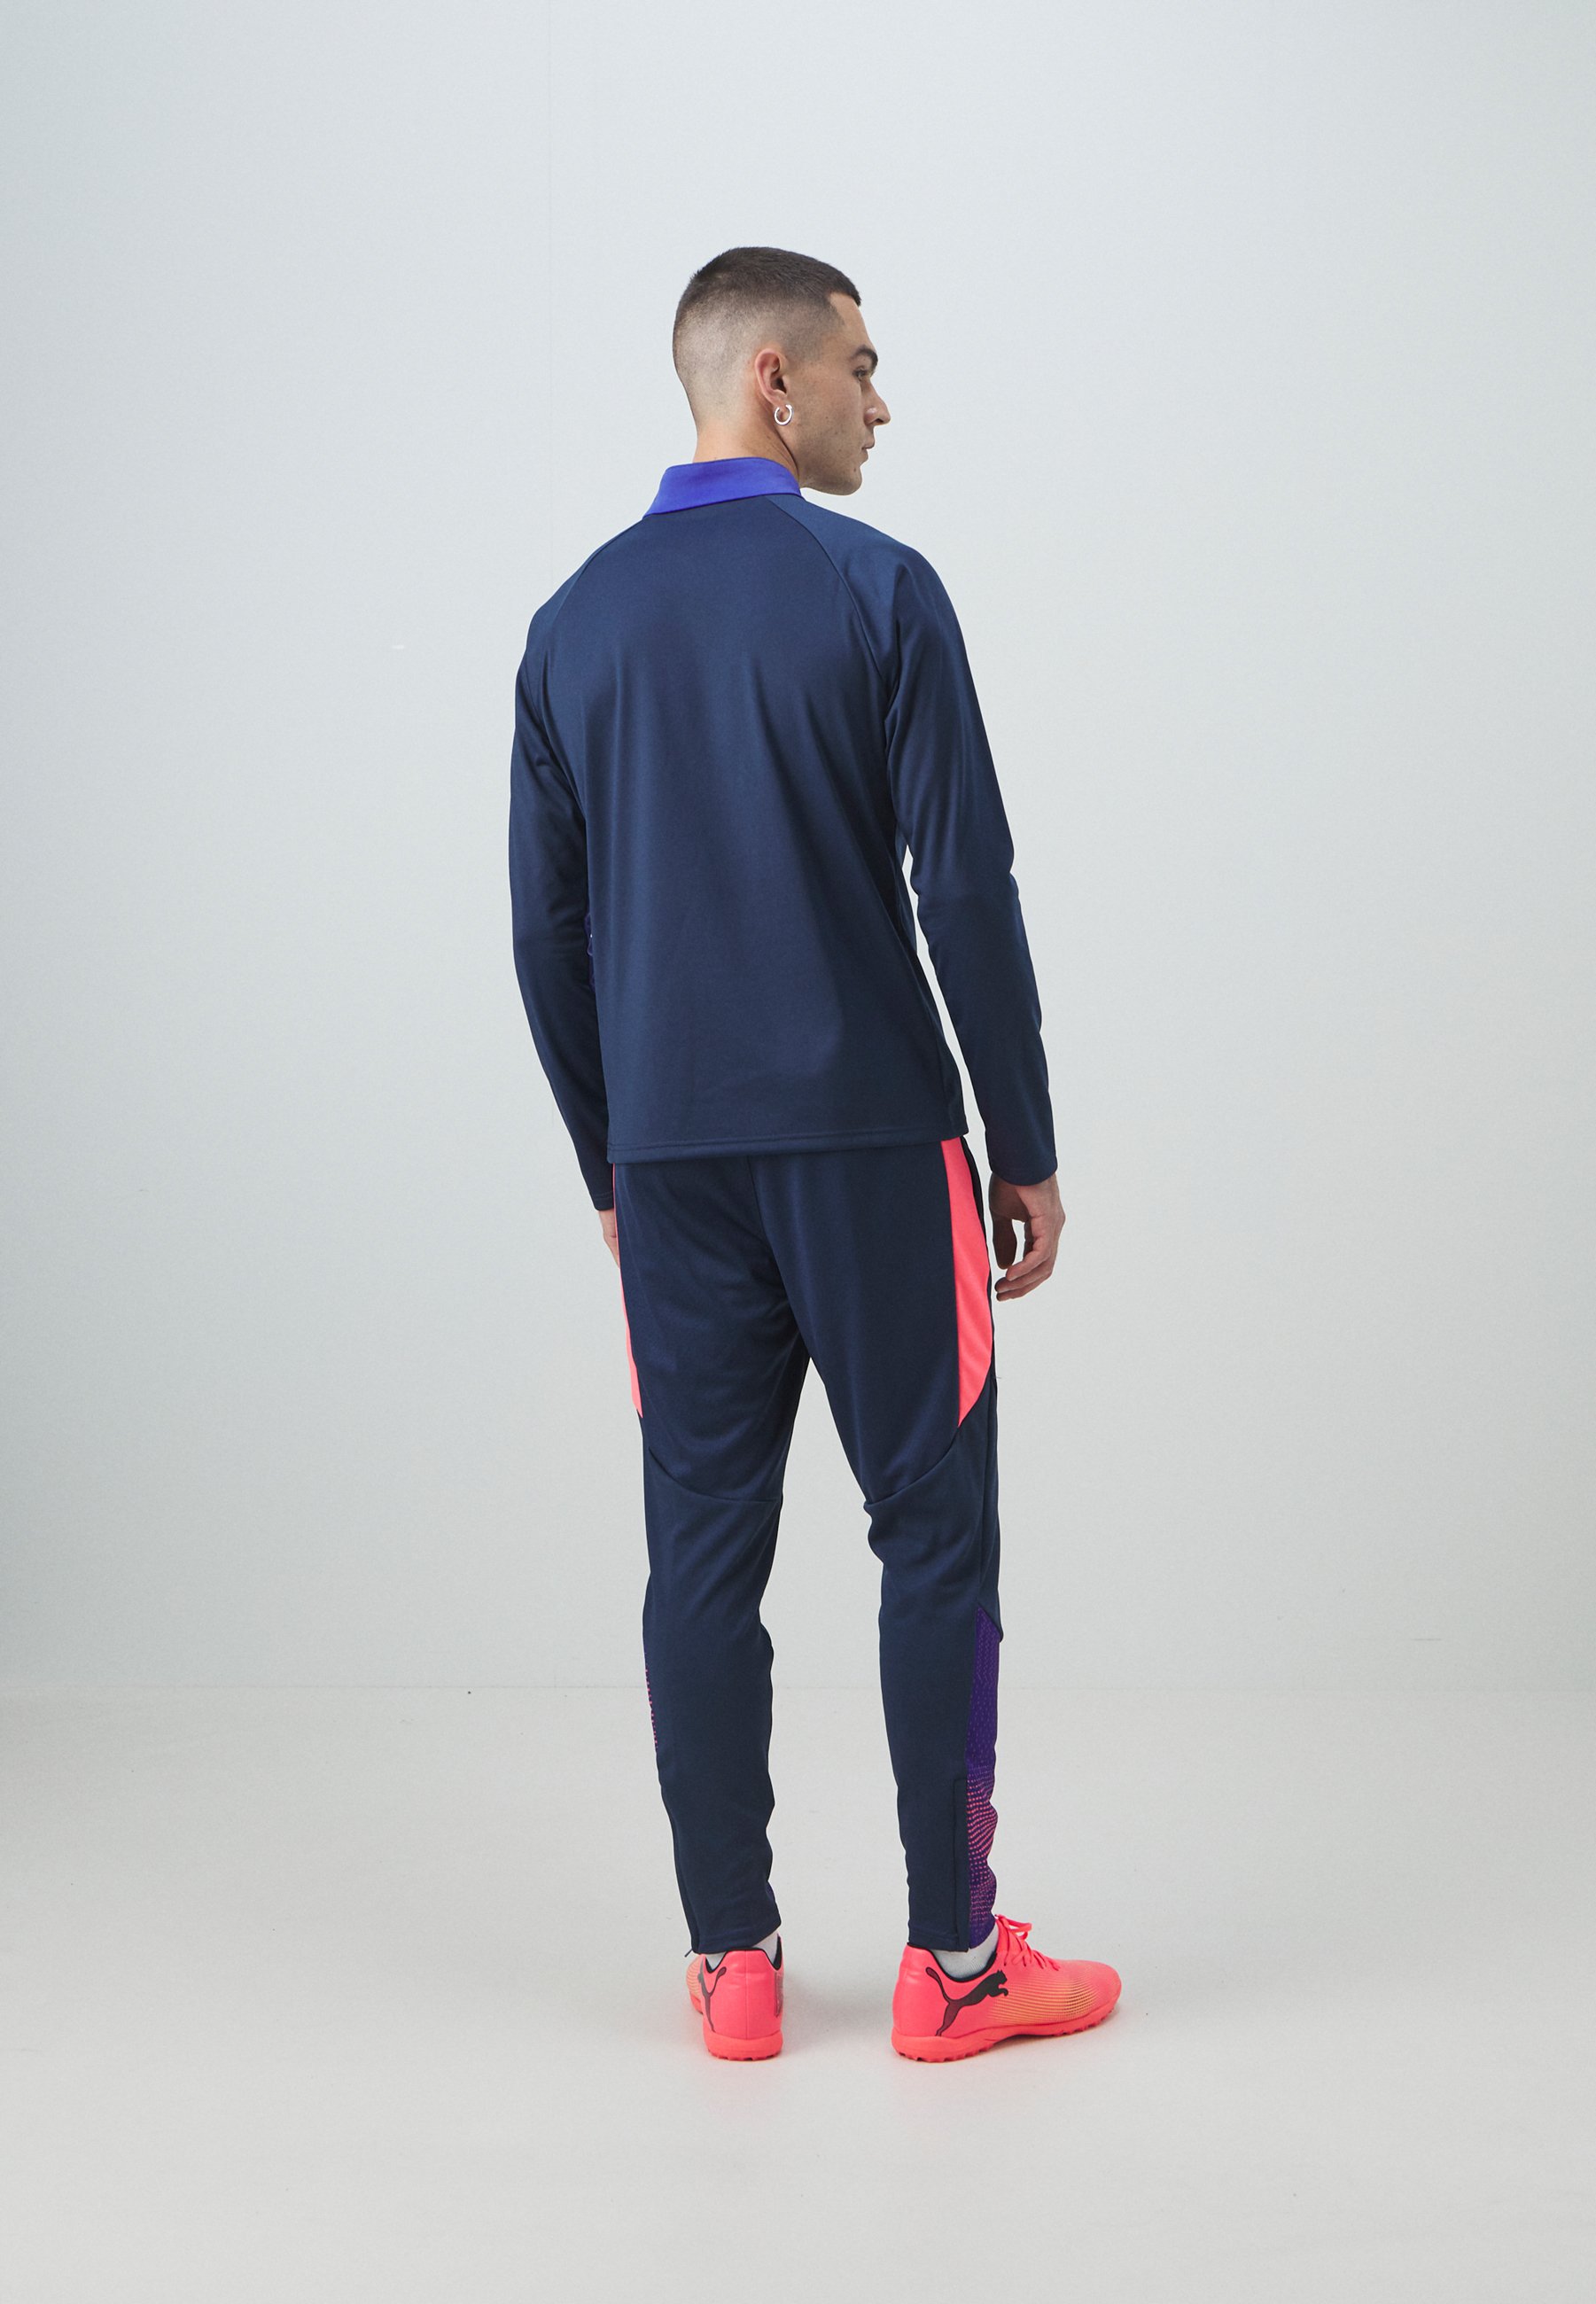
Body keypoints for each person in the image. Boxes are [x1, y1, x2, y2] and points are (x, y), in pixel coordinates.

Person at [508, 245, 1121, 2063]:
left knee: (699, 1550)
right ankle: (955, 1967)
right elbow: (966, 887)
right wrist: (1022, 1139)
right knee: (933, 1536)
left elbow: (545, 934)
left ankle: (736, 1966)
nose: (881, 400)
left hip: (674, 1164)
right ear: (774, 382)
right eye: (860, 365)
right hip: (869, 1145)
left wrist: (612, 1163)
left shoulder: (571, 625)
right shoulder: (879, 588)